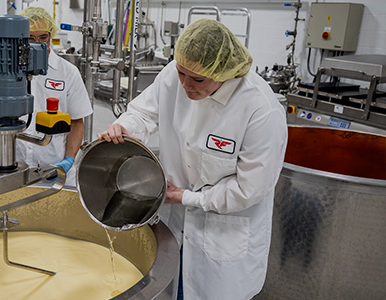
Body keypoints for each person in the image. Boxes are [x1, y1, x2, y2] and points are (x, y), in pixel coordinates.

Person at [98, 18, 288, 300]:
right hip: (173, 224)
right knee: (166, 285)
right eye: (181, 73)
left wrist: (187, 198)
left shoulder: (260, 111)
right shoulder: (175, 76)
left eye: (198, 79)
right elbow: (144, 113)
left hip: (223, 238)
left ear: (224, 73)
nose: (185, 85)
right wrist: (127, 127)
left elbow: (250, 190)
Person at [0, 7, 92, 187]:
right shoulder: (2, 68)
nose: (38, 43)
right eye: (30, 38)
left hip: (54, 169)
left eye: (43, 38)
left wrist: (68, 160)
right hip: (13, 166)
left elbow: (77, 122)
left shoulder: (67, 72)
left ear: (50, 36)